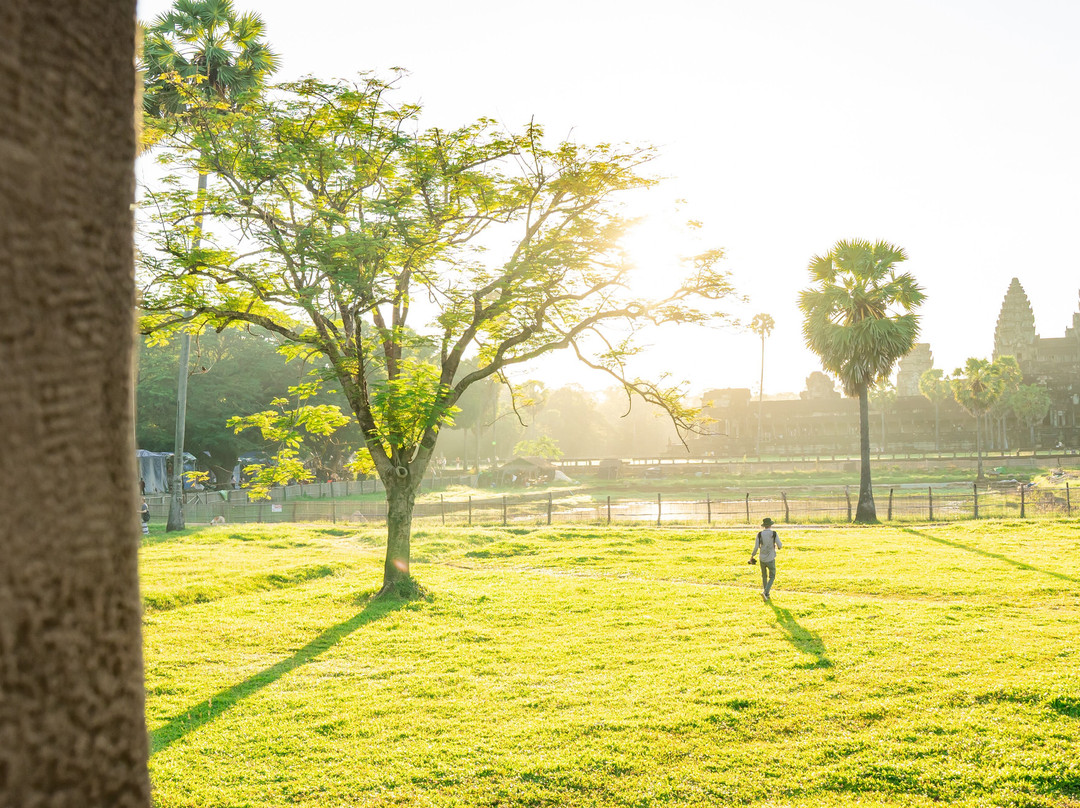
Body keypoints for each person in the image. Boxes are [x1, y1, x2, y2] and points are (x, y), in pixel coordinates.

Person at [750, 517, 782, 601]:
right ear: (771, 525)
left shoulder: (759, 534)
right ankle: (765, 592)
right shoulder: (774, 534)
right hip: (771, 558)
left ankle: (766, 594)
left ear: (764, 526)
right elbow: (780, 545)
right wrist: (778, 547)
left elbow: (756, 547)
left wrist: (752, 556)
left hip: (762, 559)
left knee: (764, 576)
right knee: (772, 576)